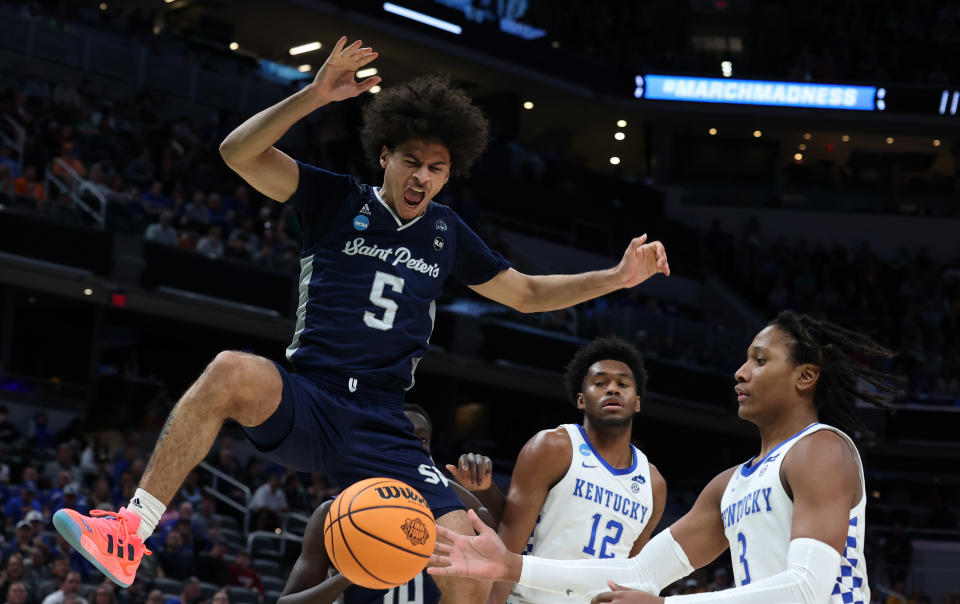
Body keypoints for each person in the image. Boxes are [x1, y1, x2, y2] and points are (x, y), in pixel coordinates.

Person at [53, 35, 670, 603]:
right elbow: (238, 153)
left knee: (467, 549)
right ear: (385, 156)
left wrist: (615, 277)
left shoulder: (447, 233)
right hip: (309, 395)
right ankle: (131, 529)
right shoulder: (334, 198)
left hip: (382, 420)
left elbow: (529, 293)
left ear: (449, 174)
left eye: (437, 168)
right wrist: (316, 94)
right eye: (411, 161)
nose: (422, 176)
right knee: (228, 370)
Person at [429, 311, 898, 604]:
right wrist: (510, 567)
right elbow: (640, 572)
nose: (739, 372)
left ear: (805, 376)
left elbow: (805, 590)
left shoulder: (822, 449)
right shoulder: (730, 483)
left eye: (759, 360)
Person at [489, 336, 666, 604]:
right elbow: (508, 544)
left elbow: (631, 576)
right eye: (600, 383)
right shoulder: (552, 447)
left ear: (637, 402)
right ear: (581, 399)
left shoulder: (653, 484)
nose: (612, 390)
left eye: (623, 384)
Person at [278, 403, 500, 604]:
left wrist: (485, 485)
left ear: (429, 450)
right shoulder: (332, 513)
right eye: (399, 436)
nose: (410, 446)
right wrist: (350, 574)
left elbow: (510, 532)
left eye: (420, 439)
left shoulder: (454, 511)